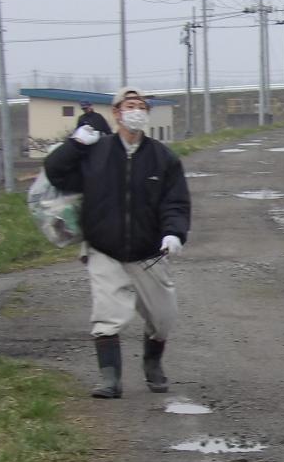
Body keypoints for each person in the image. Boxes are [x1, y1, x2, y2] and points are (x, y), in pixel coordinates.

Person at [44, 87, 191, 399]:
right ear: (116, 113)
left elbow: (175, 202)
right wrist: (74, 144)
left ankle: (153, 364)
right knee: (107, 316)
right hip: (104, 248)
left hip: (148, 252)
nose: (135, 111)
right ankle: (109, 379)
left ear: (146, 114)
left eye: (141, 106)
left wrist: (174, 233)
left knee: (163, 318)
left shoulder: (162, 158)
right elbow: (55, 173)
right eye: (129, 105)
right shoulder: (95, 152)